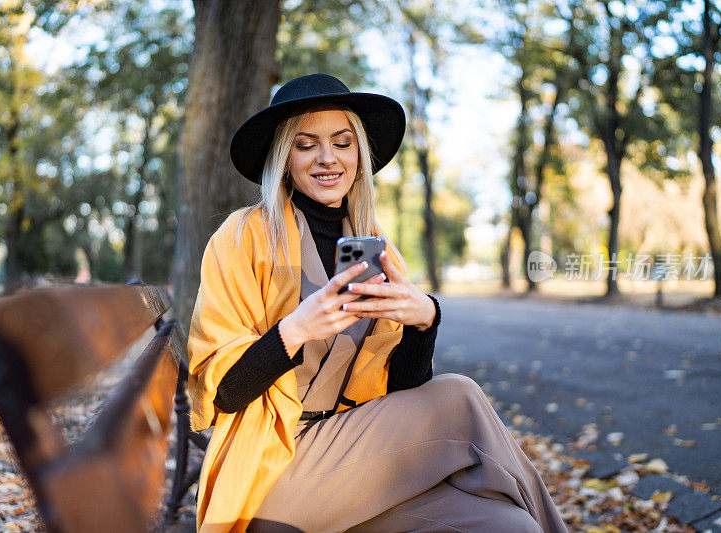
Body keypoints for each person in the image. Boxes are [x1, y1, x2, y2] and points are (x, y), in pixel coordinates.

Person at [188, 73, 569, 533]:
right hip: (274, 477)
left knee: (512, 528)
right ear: (284, 159)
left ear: (359, 155)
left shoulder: (377, 248)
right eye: (306, 144)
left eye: (342, 142)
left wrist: (423, 323)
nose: (327, 158)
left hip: (359, 466)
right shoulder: (243, 237)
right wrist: (294, 331)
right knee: (460, 395)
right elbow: (221, 391)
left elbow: (404, 391)